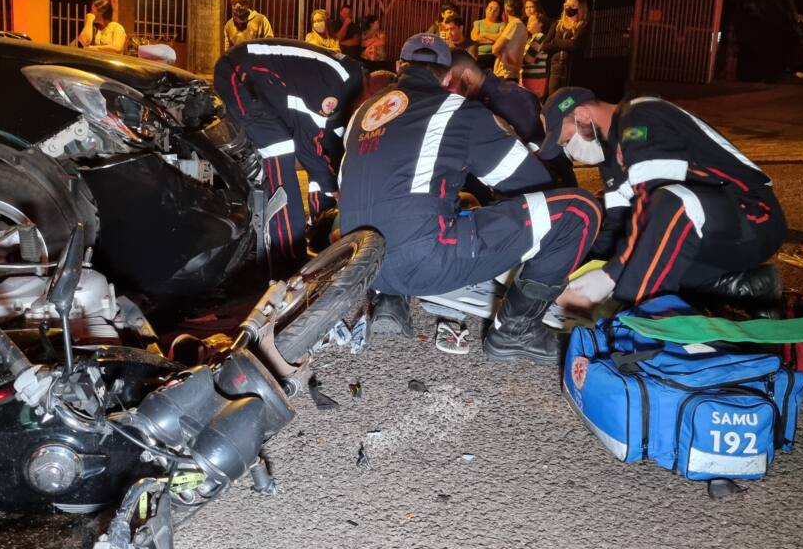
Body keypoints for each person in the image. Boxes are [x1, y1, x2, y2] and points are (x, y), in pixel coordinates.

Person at [338, 34, 600, 364]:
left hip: (362, 263)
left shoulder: (363, 114)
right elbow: (532, 181)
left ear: (399, 68)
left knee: (412, 205)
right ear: (449, 78)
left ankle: (391, 298)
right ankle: (515, 332)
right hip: (421, 261)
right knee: (579, 210)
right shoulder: (456, 109)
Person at [536, 87, 787, 312]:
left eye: (567, 140)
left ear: (582, 115)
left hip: (754, 215)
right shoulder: (611, 160)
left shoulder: (640, 117)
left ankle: (641, 323)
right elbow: (616, 228)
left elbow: (654, 201)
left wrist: (611, 276)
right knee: (641, 253)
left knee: (668, 207)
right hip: (715, 234)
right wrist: (569, 269)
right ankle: (745, 287)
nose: (571, 152)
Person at [214, 40, 364, 267]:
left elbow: (328, 158)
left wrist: (330, 201)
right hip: (237, 72)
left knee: (324, 171)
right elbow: (308, 146)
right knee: (281, 151)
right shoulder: (338, 83)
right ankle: (289, 256)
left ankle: (318, 238)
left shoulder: (347, 102)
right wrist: (335, 190)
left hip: (269, 85)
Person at [446, 49, 577, 187]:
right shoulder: (493, 96)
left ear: (467, 76)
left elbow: (538, 156)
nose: (445, 92)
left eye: (448, 84)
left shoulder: (508, 99)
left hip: (544, 189)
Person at [540, 0, 590, 93]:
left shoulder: (583, 26)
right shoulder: (558, 24)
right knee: (553, 97)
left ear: (580, 8)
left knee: (568, 99)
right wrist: (565, 43)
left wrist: (556, 41)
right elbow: (544, 46)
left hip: (572, 69)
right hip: (555, 68)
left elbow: (574, 45)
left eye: (573, 6)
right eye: (567, 5)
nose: (569, 8)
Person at [492, 0, 528, 81]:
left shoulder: (513, 24)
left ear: (507, 8)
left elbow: (495, 49)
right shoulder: (522, 26)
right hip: (514, 73)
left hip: (504, 73)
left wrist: (500, 55)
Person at [521, 12, 551, 99]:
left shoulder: (539, 37)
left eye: (532, 21)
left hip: (535, 78)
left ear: (540, 23)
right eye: (528, 21)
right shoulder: (531, 38)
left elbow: (527, 59)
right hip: (528, 77)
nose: (528, 23)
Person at [471, 0, 505, 70]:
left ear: (499, 12)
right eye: (490, 8)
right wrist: (493, 41)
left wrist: (484, 34)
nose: (492, 11)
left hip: (494, 57)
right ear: (486, 9)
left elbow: (501, 38)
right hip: (479, 56)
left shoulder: (501, 24)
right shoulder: (478, 23)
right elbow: (474, 38)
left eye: (496, 10)